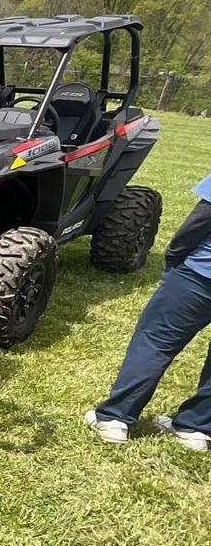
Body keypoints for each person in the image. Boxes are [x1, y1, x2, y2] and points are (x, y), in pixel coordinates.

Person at [86, 173, 211, 451]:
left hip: (200, 275)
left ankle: (115, 418)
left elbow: (202, 219)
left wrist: (175, 254)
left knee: (155, 342)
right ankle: (196, 427)